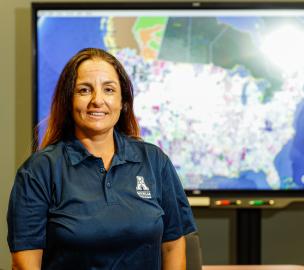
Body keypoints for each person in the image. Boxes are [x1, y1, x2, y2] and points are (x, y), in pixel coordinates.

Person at [7, 48, 197, 270]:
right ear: (68, 100)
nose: (97, 100)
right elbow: (24, 264)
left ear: (123, 101)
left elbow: (172, 247)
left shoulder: (155, 161)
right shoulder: (39, 171)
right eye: (84, 90)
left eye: (108, 89)